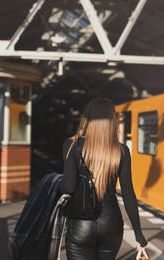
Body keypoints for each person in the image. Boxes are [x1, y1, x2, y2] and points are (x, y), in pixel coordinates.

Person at [60, 98, 148, 260]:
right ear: (111, 121)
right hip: (112, 224)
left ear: (86, 118)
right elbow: (128, 194)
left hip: (82, 223)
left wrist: (58, 183)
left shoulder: (71, 145)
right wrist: (138, 234)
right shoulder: (121, 150)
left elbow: (69, 187)